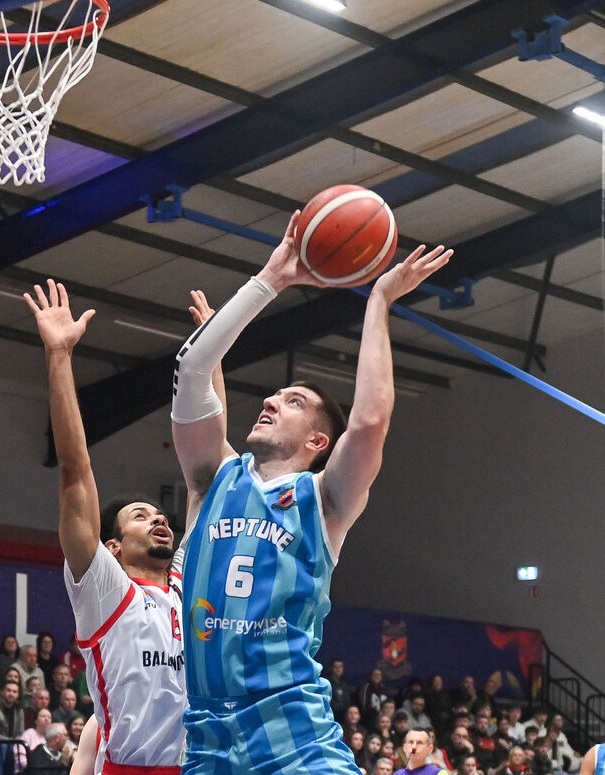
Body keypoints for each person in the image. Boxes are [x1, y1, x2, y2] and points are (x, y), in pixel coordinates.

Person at [171, 212, 451, 774]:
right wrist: (272, 278)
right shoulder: (211, 477)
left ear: (319, 441)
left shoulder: (324, 499)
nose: (271, 401)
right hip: (205, 737)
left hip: (292, 734)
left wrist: (379, 301)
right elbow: (192, 367)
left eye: (293, 401)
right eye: (273, 396)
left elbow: (369, 420)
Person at [25, 279, 187, 773]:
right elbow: (75, 473)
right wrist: (59, 356)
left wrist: (210, 358)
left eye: (159, 514)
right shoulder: (106, 589)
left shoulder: (186, 583)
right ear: (112, 547)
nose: (158, 517)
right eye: (140, 515)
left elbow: (204, 474)